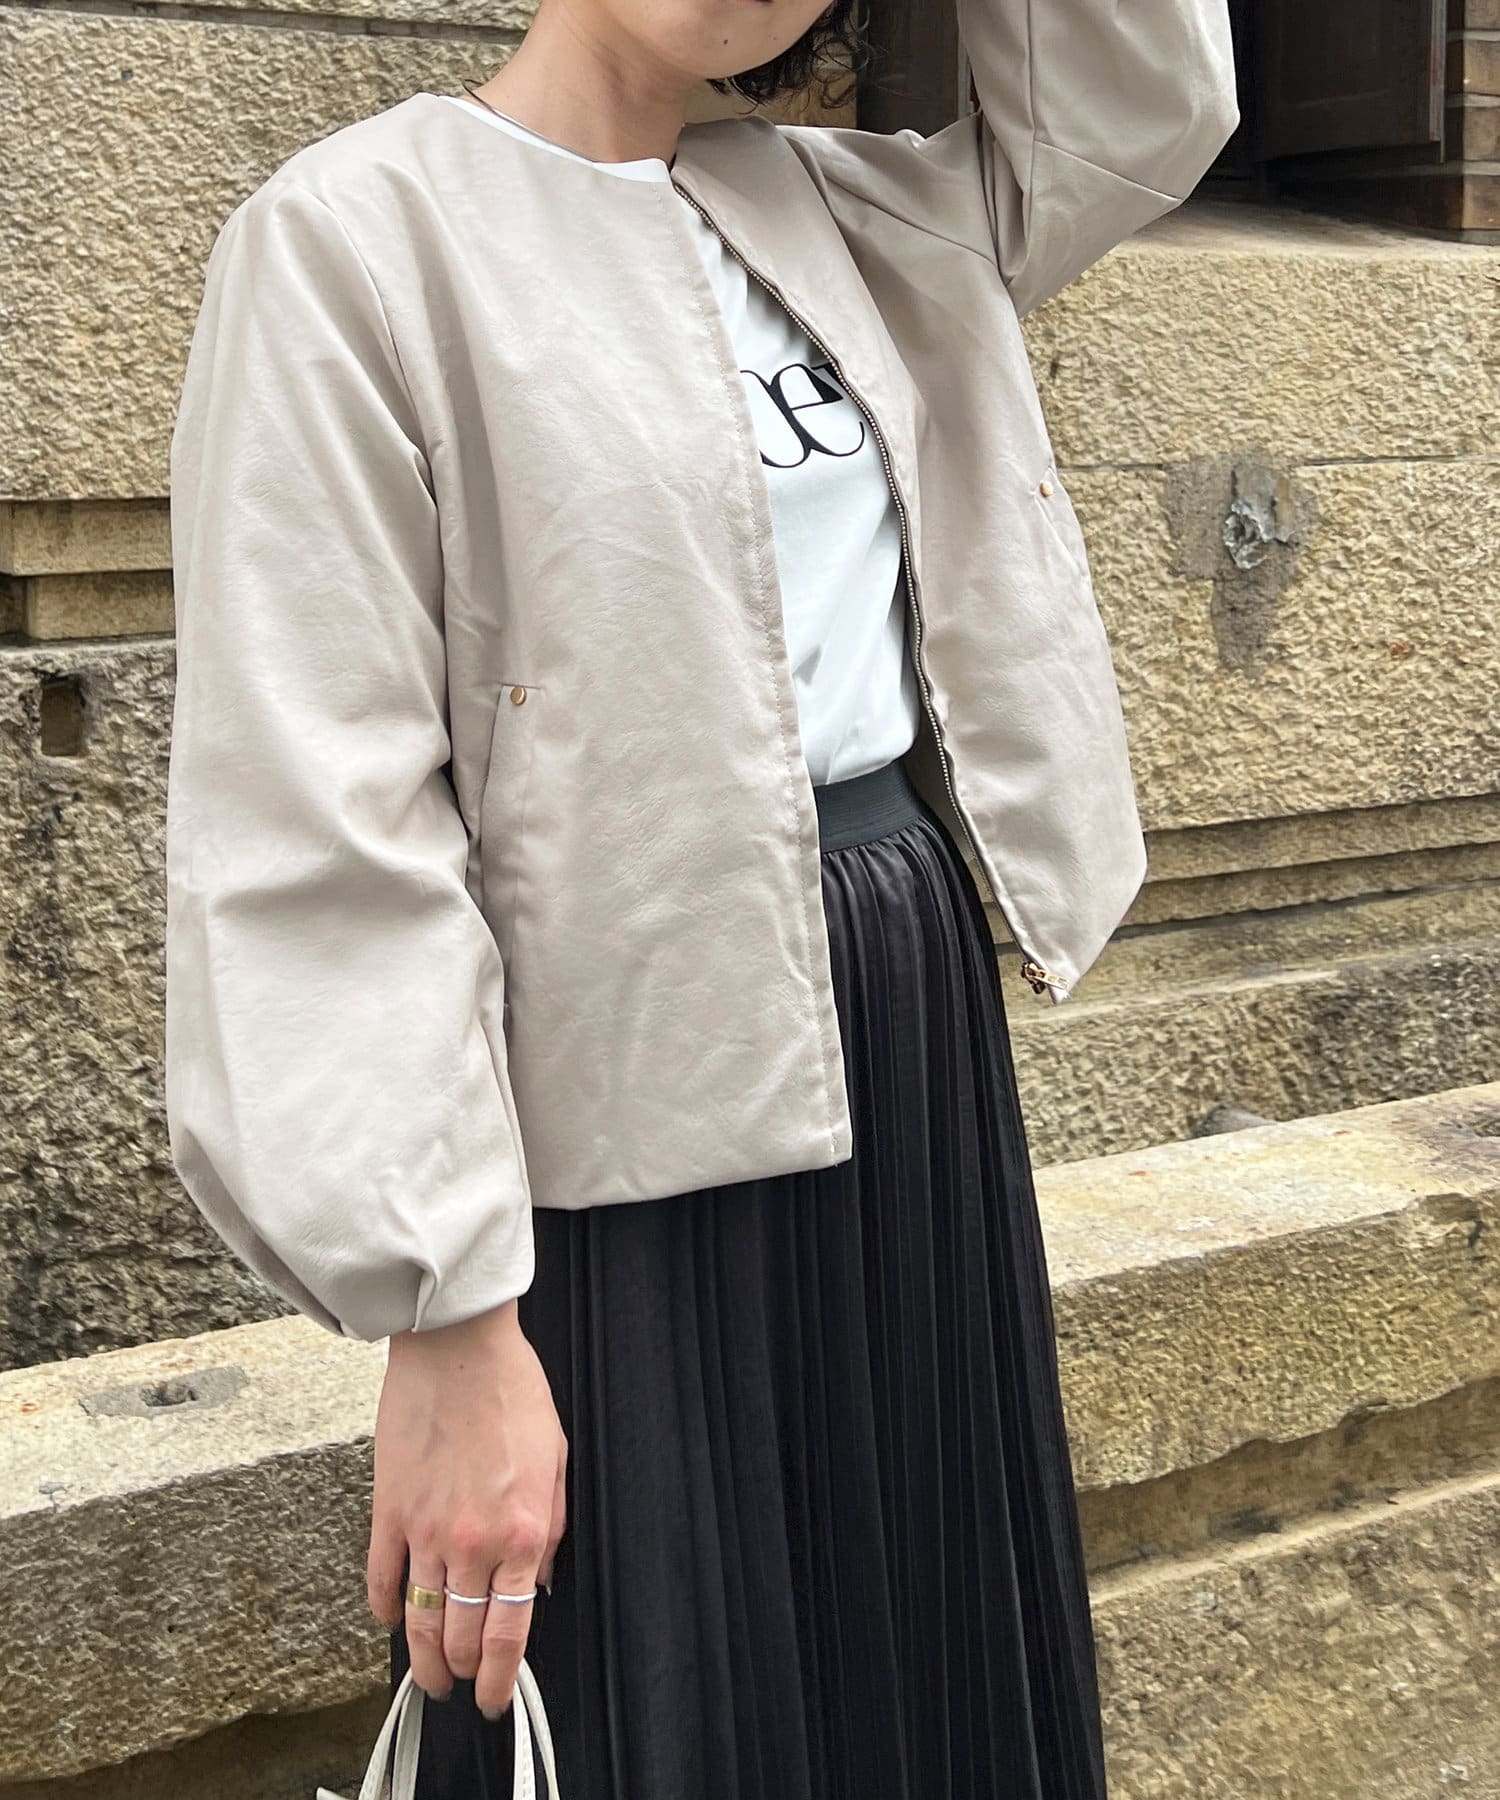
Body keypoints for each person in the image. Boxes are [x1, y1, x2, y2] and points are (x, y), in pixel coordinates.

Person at [163, 1, 1239, 1794]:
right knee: (663, 1693)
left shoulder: (866, 211)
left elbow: (1146, 102)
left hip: (896, 1016)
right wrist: (446, 1320)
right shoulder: (356, 238)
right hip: (612, 1090)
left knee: (915, 1664)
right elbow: (318, 815)